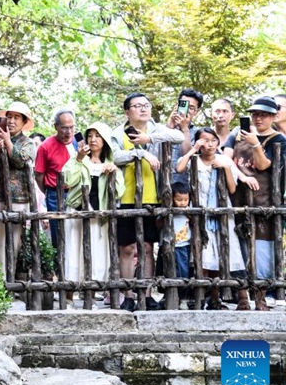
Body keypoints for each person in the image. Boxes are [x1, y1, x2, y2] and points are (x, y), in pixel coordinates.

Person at [110, 92, 184, 312]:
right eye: (137, 106)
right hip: (125, 197)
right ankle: (128, 294)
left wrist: (149, 139)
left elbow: (178, 138)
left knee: (147, 247)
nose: (143, 109)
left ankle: (147, 293)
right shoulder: (117, 132)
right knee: (126, 248)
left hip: (153, 197)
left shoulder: (157, 129)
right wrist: (140, 153)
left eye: (146, 105)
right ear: (127, 111)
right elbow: (115, 156)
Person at [223, 96, 286, 311]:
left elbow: (263, 165)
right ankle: (242, 297)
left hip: (263, 203)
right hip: (236, 199)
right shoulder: (236, 134)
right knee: (237, 251)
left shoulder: (279, 140)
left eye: (264, 114)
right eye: (255, 114)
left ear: (273, 116)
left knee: (262, 253)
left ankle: (262, 296)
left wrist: (256, 144)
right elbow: (226, 158)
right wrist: (241, 175)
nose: (258, 118)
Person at [175, 127, 248, 310]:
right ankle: (214, 299)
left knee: (231, 253)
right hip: (202, 214)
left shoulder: (224, 160)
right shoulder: (194, 161)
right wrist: (193, 149)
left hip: (223, 213)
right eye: (204, 140)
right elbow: (179, 168)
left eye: (213, 140)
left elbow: (232, 189)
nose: (209, 144)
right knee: (208, 257)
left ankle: (243, 298)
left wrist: (225, 168)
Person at [61, 122, 124, 308]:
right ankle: (69, 297)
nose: (93, 139)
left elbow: (119, 191)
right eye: (90, 136)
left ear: (104, 140)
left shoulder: (110, 164)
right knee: (73, 251)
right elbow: (67, 180)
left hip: (99, 214)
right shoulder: (78, 158)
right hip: (78, 212)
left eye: (97, 136)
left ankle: (91, 294)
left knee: (97, 253)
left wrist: (114, 173)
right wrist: (79, 159)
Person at [0, 102, 36, 271]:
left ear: (23, 122)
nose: (12, 121)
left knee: (13, 239)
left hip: (19, 198)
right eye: (10, 117)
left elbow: (20, 161)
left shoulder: (28, 143)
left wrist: (7, 142)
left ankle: (10, 278)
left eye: (16, 117)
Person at [34, 108, 78, 249]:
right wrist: (48, 191)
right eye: (64, 128)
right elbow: (39, 175)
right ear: (56, 127)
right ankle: (59, 267)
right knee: (58, 233)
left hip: (77, 191)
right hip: (54, 193)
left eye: (71, 127)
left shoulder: (78, 142)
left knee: (76, 230)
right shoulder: (45, 146)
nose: (68, 132)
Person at [168, 88, 204, 187]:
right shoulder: (160, 129)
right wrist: (169, 128)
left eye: (191, 108)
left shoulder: (199, 133)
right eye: (184, 105)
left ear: (196, 112)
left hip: (184, 189)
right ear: (177, 106)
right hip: (160, 185)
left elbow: (189, 157)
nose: (187, 110)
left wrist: (185, 129)